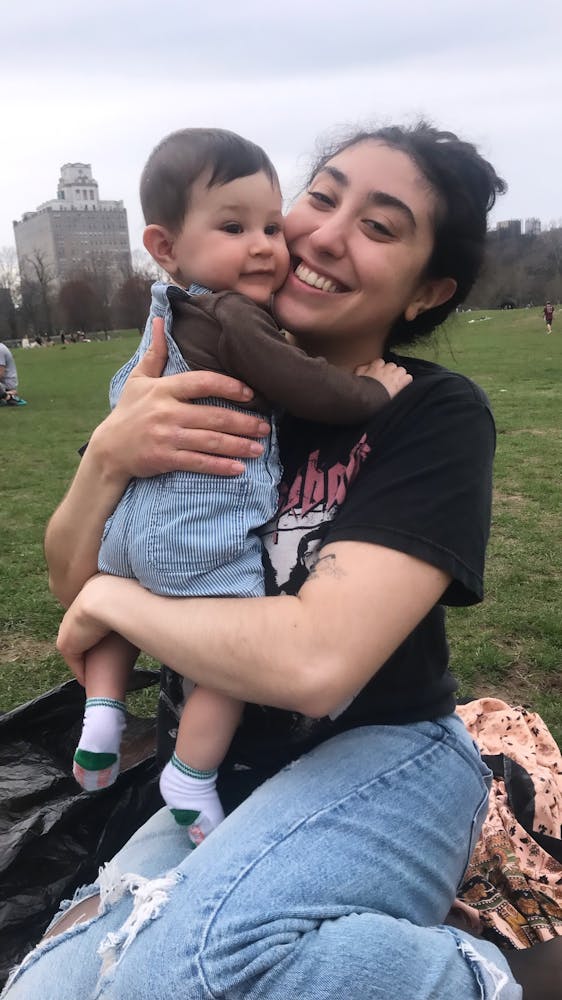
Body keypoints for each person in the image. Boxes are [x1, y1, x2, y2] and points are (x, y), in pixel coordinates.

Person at [7, 121, 562, 1000]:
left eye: (379, 228)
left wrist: (118, 602)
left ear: (426, 293)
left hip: (389, 759)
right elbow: (70, 579)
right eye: (324, 196)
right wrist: (110, 457)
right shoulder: (187, 385)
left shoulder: (430, 415)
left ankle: (487, 981)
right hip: (220, 775)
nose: (327, 235)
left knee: (180, 970)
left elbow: (313, 662)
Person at [72, 128, 410, 849]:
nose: (265, 245)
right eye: (234, 228)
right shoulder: (231, 314)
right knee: (232, 639)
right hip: (199, 527)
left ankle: (102, 711)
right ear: (165, 247)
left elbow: (78, 579)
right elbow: (296, 382)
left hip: (129, 529)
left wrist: (106, 466)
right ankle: (192, 774)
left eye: (267, 223)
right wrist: (369, 394)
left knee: (115, 603)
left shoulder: (171, 314)